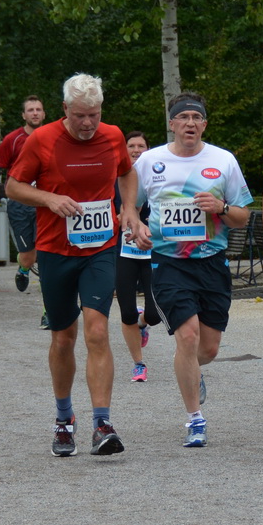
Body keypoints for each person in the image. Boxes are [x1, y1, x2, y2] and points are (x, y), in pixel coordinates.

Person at [7, 73, 134, 457]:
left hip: (99, 247)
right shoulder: (42, 139)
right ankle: (64, 419)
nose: (87, 124)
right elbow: (14, 187)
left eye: (94, 115)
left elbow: (127, 172)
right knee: (64, 337)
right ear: (65, 109)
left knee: (97, 330)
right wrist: (48, 199)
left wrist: (128, 209)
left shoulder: (112, 136)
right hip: (56, 250)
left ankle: (102, 423)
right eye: (80, 115)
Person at [126, 92, 253, 448]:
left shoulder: (223, 161)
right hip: (168, 263)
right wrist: (137, 229)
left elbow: (242, 216)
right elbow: (129, 208)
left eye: (197, 118)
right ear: (171, 124)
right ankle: (195, 419)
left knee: (208, 349)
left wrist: (222, 206)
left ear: (205, 125)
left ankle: (191, 371)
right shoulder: (149, 162)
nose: (190, 124)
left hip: (212, 263)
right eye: (183, 118)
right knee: (188, 336)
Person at [0, 94, 47, 295]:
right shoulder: (13, 140)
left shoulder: (53, 137)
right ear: (24, 115)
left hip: (46, 203)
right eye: (30, 110)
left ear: (44, 114)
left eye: (38, 109)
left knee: (46, 255)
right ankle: (24, 268)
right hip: (19, 204)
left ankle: (48, 311)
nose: (35, 113)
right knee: (29, 255)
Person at [114, 130, 158, 383]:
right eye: (131, 145)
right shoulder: (115, 178)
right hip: (124, 250)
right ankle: (138, 364)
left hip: (153, 251)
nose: (136, 150)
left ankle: (144, 323)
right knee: (126, 310)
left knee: (155, 312)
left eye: (141, 145)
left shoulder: (158, 177)